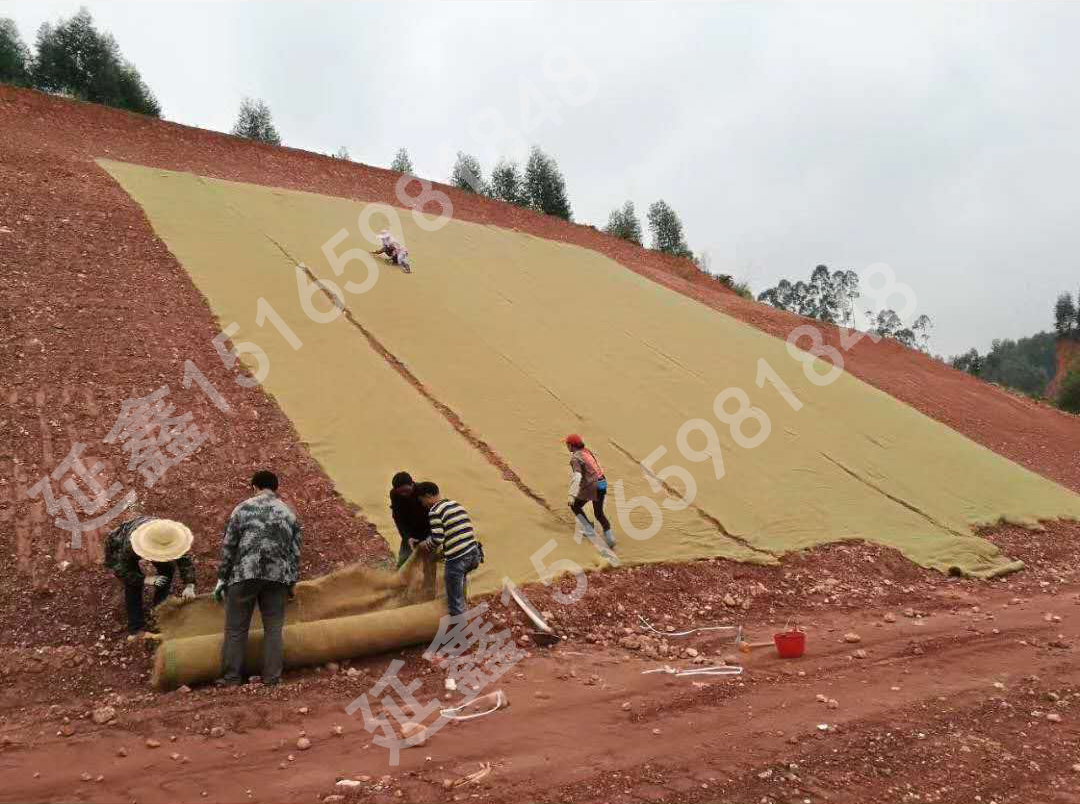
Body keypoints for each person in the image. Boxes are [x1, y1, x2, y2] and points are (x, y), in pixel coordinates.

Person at [213, 469, 302, 687]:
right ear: (275, 488)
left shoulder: (242, 509)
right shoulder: (288, 514)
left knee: (236, 629)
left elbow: (229, 546)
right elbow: (295, 552)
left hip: (245, 573)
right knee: (273, 629)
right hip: (277, 577)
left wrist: (222, 578)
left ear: (254, 487)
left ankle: (232, 677)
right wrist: (291, 582)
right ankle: (271, 678)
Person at [104, 513, 197, 638]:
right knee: (133, 585)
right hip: (122, 545)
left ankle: (159, 613)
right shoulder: (128, 545)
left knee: (167, 570)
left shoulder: (172, 536)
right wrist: (145, 579)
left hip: (152, 537)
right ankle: (135, 630)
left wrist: (189, 585)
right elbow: (121, 570)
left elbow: (184, 558)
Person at [413, 481, 483, 618]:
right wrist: (442, 554)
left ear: (428, 496)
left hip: (458, 559)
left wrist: (424, 545)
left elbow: (437, 539)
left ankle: (460, 631)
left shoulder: (434, 511)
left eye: (422, 501)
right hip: (474, 553)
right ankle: (463, 609)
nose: (423, 505)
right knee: (460, 585)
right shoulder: (455, 504)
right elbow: (459, 532)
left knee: (454, 601)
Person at [565, 434, 615, 549]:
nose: (566, 446)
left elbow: (577, 476)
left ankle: (588, 529)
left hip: (592, 485)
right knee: (599, 513)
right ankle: (610, 537)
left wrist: (572, 495)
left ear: (571, 446)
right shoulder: (586, 451)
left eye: (567, 444)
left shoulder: (575, 459)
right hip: (602, 481)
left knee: (575, 505)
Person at [389, 471, 431, 568]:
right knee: (403, 562)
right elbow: (398, 518)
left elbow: (435, 515)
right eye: (400, 492)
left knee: (430, 562)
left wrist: (430, 537)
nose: (404, 494)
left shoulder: (423, 490)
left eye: (407, 491)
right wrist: (407, 537)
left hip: (429, 530)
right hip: (410, 533)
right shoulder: (394, 494)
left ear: (412, 484)